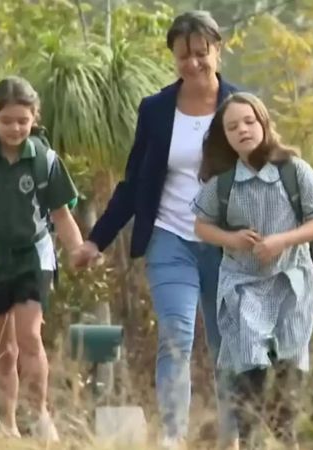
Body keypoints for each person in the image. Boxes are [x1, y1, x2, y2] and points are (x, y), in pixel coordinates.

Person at [75, 11, 240, 449]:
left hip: (227, 246)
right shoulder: (156, 109)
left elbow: (265, 176)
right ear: (173, 57)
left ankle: (233, 436)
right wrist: (96, 240)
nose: (193, 64)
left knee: (229, 345)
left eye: (201, 54)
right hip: (171, 238)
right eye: (183, 55)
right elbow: (134, 184)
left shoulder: (241, 106)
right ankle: (171, 435)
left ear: (217, 51)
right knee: (176, 336)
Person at [0, 75, 87, 441]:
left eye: (23, 121)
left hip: (33, 257)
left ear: (34, 119)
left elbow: (61, 215)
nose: (15, 128)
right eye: (7, 120)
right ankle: (7, 422)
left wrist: (77, 249)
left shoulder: (46, 160)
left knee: (29, 336)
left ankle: (39, 414)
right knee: (5, 350)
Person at [192, 92, 313, 449]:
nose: (242, 130)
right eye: (232, 126)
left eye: (249, 121)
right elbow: (201, 226)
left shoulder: (293, 171)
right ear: (224, 136)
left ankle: (288, 442)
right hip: (243, 286)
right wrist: (232, 238)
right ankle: (254, 441)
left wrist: (282, 240)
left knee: (287, 379)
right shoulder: (223, 183)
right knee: (249, 372)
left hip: (291, 284)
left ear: (263, 123)